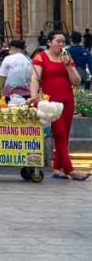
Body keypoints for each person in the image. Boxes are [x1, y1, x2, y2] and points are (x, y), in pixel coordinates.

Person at [30, 31, 88, 181]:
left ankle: (57, 167)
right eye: (58, 41)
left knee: (65, 135)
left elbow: (76, 81)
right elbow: (35, 79)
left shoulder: (67, 57)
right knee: (60, 134)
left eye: (63, 42)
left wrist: (69, 65)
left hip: (67, 100)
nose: (61, 45)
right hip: (51, 104)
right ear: (49, 42)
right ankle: (70, 169)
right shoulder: (41, 57)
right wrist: (34, 97)